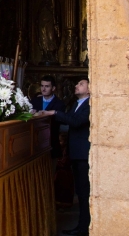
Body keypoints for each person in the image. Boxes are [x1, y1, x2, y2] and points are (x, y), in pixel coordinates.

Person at [38, 78, 91, 236]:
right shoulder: (77, 103)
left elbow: (76, 122)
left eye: (81, 84)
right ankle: (81, 226)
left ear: (89, 89)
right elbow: (69, 118)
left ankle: (85, 227)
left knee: (84, 192)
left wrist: (54, 112)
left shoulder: (90, 104)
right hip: (76, 152)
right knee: (80, 192)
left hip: (83, 154)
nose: (76, 85)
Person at [31, 75, 66, 164]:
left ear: (53, 88)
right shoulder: (34, 101)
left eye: (47, 86)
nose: (43, 89)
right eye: (42, 86)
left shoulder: (60, 104)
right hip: (35, 144)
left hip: (52, 143)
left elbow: (60, 120)